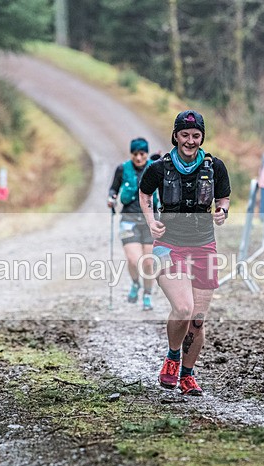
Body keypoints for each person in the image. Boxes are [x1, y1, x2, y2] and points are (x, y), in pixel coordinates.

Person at [139, 110, 231, 396]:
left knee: (198, 319)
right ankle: (172, 357)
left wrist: (222, 211)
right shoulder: (159, 167)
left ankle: (188, 376)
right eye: (185, 135)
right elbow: (144, 194)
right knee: (183, 308)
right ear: (175, 136)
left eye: (195, 135)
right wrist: (151, 220)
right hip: (170, 245)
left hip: (204, 245)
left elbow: (224, 197)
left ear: (201, 137)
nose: (190, 141)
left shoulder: (214, 166)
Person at [108, 137, 157, 310]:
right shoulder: (122, 169)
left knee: (148, 262)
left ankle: (147, 295)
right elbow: (113, 189)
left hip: (151, 221)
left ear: (146, 154)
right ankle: (136, 283)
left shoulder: (154, 167)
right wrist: (111, 199)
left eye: (142, 154)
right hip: (129, 219)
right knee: (133, 260)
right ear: (131, 154)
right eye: (135, 154)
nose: (138, 158)